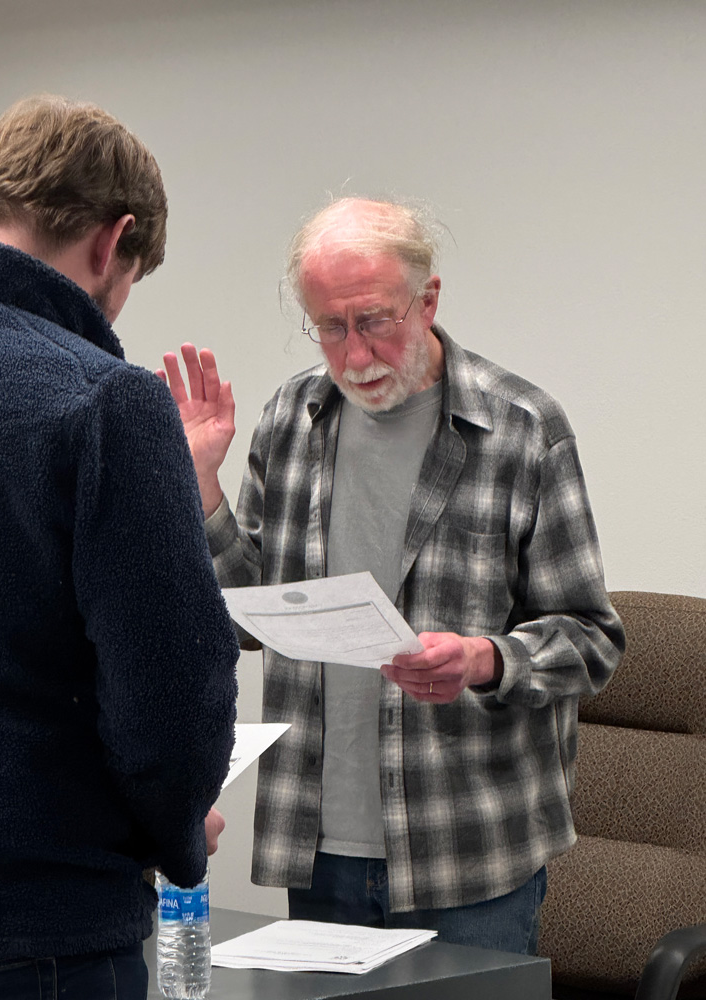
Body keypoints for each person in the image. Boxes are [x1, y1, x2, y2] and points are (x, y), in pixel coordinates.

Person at [160, 196, 625, 956]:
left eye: (373, 320)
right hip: (319, 842)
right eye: (330, 327)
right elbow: (247, 619)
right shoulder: (292, 419)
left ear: (428, 299)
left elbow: (592, 638)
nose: (353, 354)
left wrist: (485, 659)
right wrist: (203, 487)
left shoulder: (522, 428)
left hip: (467, 849)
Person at [0, 96, 239, 999]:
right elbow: (170, 692)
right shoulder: (102, 400)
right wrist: (179, 831)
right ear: (112, 244)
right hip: (30, 929)